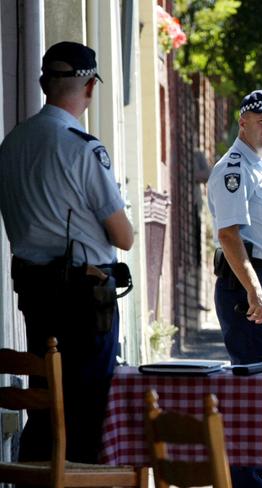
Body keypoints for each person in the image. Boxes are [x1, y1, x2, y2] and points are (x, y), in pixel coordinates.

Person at [0, 41, 134, 463]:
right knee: (87, 406)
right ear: (90, 87)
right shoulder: (81, 146)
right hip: (82, 297)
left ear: (44, 83)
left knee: (46, 400)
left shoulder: (13, 143)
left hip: (35, 292)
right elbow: (124, 236)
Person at [207, 89, 262, 488]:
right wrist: (257, 290)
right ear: (242, 121)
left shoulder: (261, 165)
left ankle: (249, 475)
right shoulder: (235, 167)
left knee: (259, 390)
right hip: (247, 284)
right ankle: (244, 479)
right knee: (249, 392)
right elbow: (229, 235)